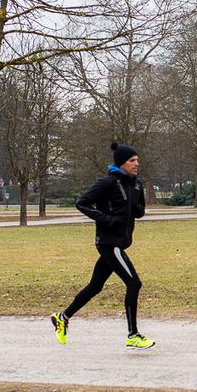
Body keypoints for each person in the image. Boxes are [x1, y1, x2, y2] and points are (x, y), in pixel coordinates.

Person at [51, 142, 154, 350]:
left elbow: (140, 211)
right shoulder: (107, 183)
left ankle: (62, 317)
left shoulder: (135, 184)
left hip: (121, 243)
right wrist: (106, 219)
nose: (137, 164)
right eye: (132, 161)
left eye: (137, 160)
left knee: (95, 286)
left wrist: (136, 207)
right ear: (121, 163)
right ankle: (133, 334)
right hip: (109, 243)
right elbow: (82, 203)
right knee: (134, 284)